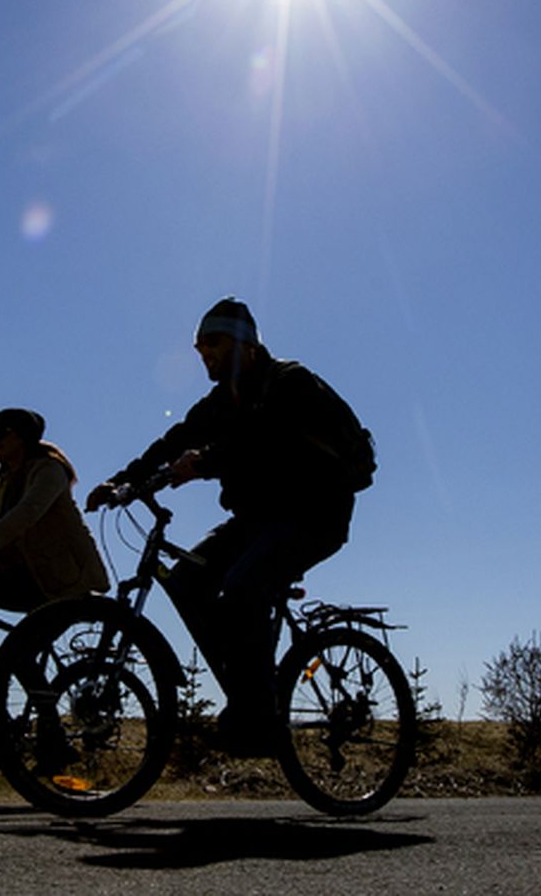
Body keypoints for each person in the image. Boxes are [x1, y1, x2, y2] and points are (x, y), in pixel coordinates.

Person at [85, 298, 371, 755]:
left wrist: (205, 463)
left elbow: (266, 439)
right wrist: (122, 481)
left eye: (213, 344)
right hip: (258, 520)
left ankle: (258, 712)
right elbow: (177, 438)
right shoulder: (223, 400)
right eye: (199, 349)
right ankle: (249, 689)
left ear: (246, 345)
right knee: (186, 580)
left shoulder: (288, 383)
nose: (205, 356)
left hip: (315, 514)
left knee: (242, 588)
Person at [0, 408, 110, 679]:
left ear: (23, 438)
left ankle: (39, 714)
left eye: (2, 434)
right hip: (33, 578)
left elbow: (28, 511)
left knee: (18, 653)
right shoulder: (5, 478)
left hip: (65, 583)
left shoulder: (49, 470)